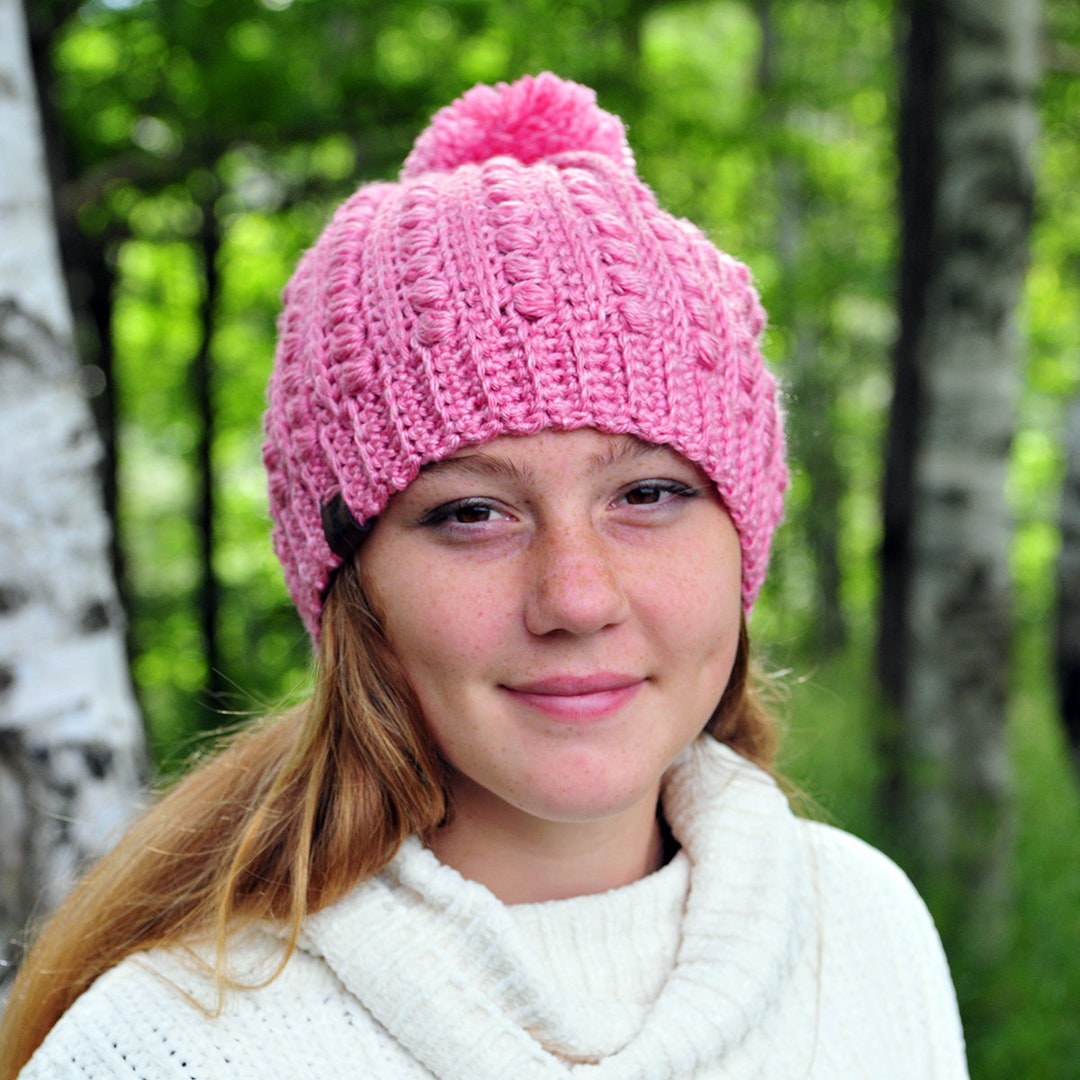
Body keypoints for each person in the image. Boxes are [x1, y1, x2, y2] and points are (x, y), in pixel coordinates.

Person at [1, 73, 968, 1078]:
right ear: (350, 586)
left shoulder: (860, 936)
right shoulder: (171, 1047)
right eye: (471, 513)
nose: (577, 598)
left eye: (647, 495)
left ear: (744, 540)